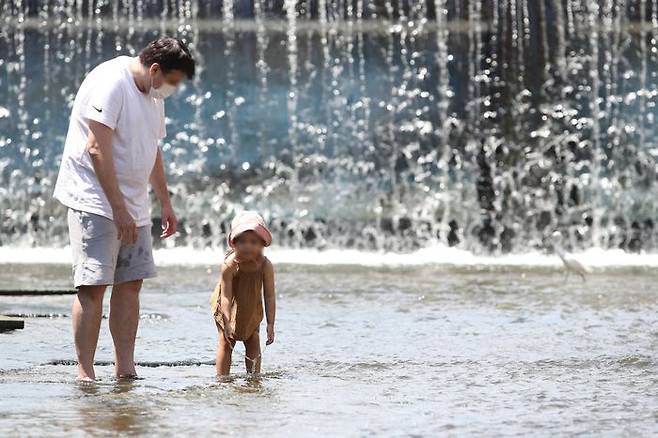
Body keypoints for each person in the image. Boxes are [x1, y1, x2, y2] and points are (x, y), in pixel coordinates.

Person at [53, 37, 195, 381]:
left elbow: (153, 148)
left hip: (134, 203)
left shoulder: (153, 92)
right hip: (95, 199)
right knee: (93, 286)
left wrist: (164, 200)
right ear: (156, 69)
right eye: (173, 81)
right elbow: (95, 148)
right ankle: (85, 372)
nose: (173, 89)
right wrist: (118, 208)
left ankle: (125, 368)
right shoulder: (112, 83)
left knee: (131, 284)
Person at [210, 211, 276, 376]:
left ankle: (253, 378)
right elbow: (225, 296)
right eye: (243, 242)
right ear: (234, 243)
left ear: (262, 244)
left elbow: (269, 296)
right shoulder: (230, 265)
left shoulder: (265, 266)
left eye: (253, 242)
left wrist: (270, 324)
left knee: (253, 340)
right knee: (226, 342)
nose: (248, 246)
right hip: (227, 305)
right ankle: (223, 379)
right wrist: (226, 321)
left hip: (251, 307)